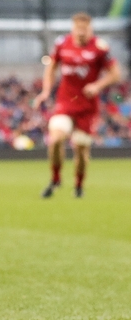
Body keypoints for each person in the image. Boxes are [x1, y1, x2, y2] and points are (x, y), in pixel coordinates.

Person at [32, 12, 121, 199]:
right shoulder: (62, 44)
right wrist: (46, 91)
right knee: (56, 139)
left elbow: (115, 74)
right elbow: (51, 67)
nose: (81, 32)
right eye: (78, 28)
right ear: (73, 28)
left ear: (90, 29)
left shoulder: (99, 48)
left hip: (87, 108)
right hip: (65, 102)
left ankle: (79, 185)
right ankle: (56, 179)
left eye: (85, 29)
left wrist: (97, 85)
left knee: (81, 149)